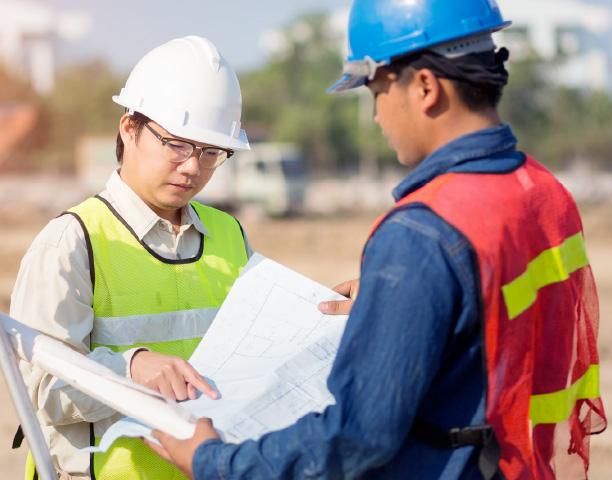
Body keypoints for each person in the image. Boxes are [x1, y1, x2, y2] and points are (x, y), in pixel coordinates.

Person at [145, 1, 608, 479]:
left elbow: (357, 436)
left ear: (425, 87)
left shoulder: (421, 233)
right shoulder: (544, 191)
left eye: (376, 93)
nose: (375, 117)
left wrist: (214, 460)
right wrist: (408, 305)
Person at [11, 36, 254, 479]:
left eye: (210, 152)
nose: (192, 167)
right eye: (178, 144)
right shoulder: (72, 242)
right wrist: (130, 367)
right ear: (129, 128)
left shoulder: (229, 235)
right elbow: (41, 392)